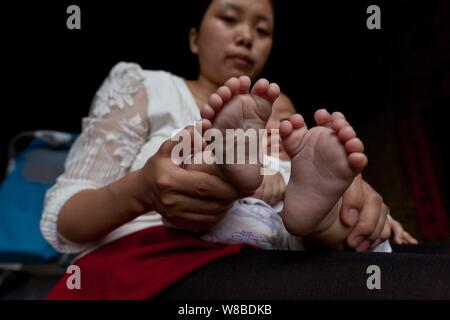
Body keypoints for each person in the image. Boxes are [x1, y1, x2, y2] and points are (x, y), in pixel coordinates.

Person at [40, 0, 418, 299]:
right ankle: (225, 171)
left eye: (262, 29)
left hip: (278, 249)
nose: (246, 37)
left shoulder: (277, 117)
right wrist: (141, 190)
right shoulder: (148, 86)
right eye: (229, 18)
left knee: (308, 204)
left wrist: (358, 210)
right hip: (160, 254)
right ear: (193, 38)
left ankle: (319, 220)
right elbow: (65, 217)